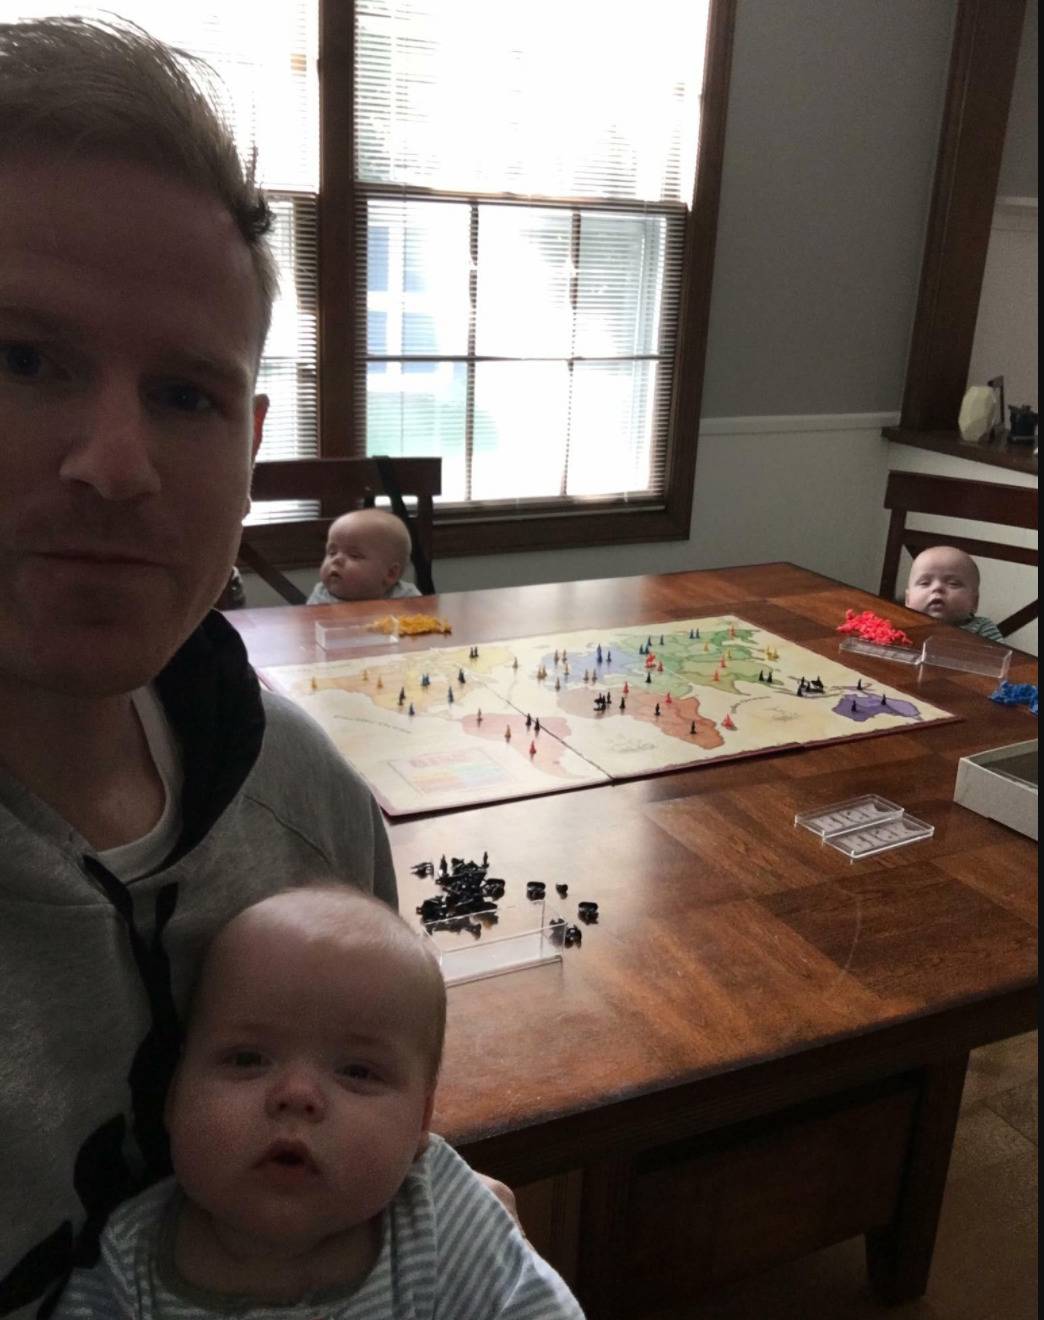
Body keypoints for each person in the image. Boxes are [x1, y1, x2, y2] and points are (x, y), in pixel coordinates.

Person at [0, 18, 405, 1318]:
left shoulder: (314, 811)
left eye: (188, 395)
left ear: (251, 445)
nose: (116, 464)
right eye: (20, 360)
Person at [54, 887, 584, 1319]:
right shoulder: (126, 1263)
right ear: (172, 1098)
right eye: (246, 1059)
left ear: (420, 1123)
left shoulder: (443, 1216)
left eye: (357, 1071)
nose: (297, 1095)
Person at [307, 507, 423, 604]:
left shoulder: (407, 598)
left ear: (390, 574)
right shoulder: (321, 597)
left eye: (354, 555)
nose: (336, 559)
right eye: (332, 553)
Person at [904, 545, 1004, 641]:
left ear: (974, 602)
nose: (937, 587)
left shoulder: (982, 629)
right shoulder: (900, 623)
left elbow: (1003, 657)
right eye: (925, 583)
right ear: (908, 599)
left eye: (953, 584)